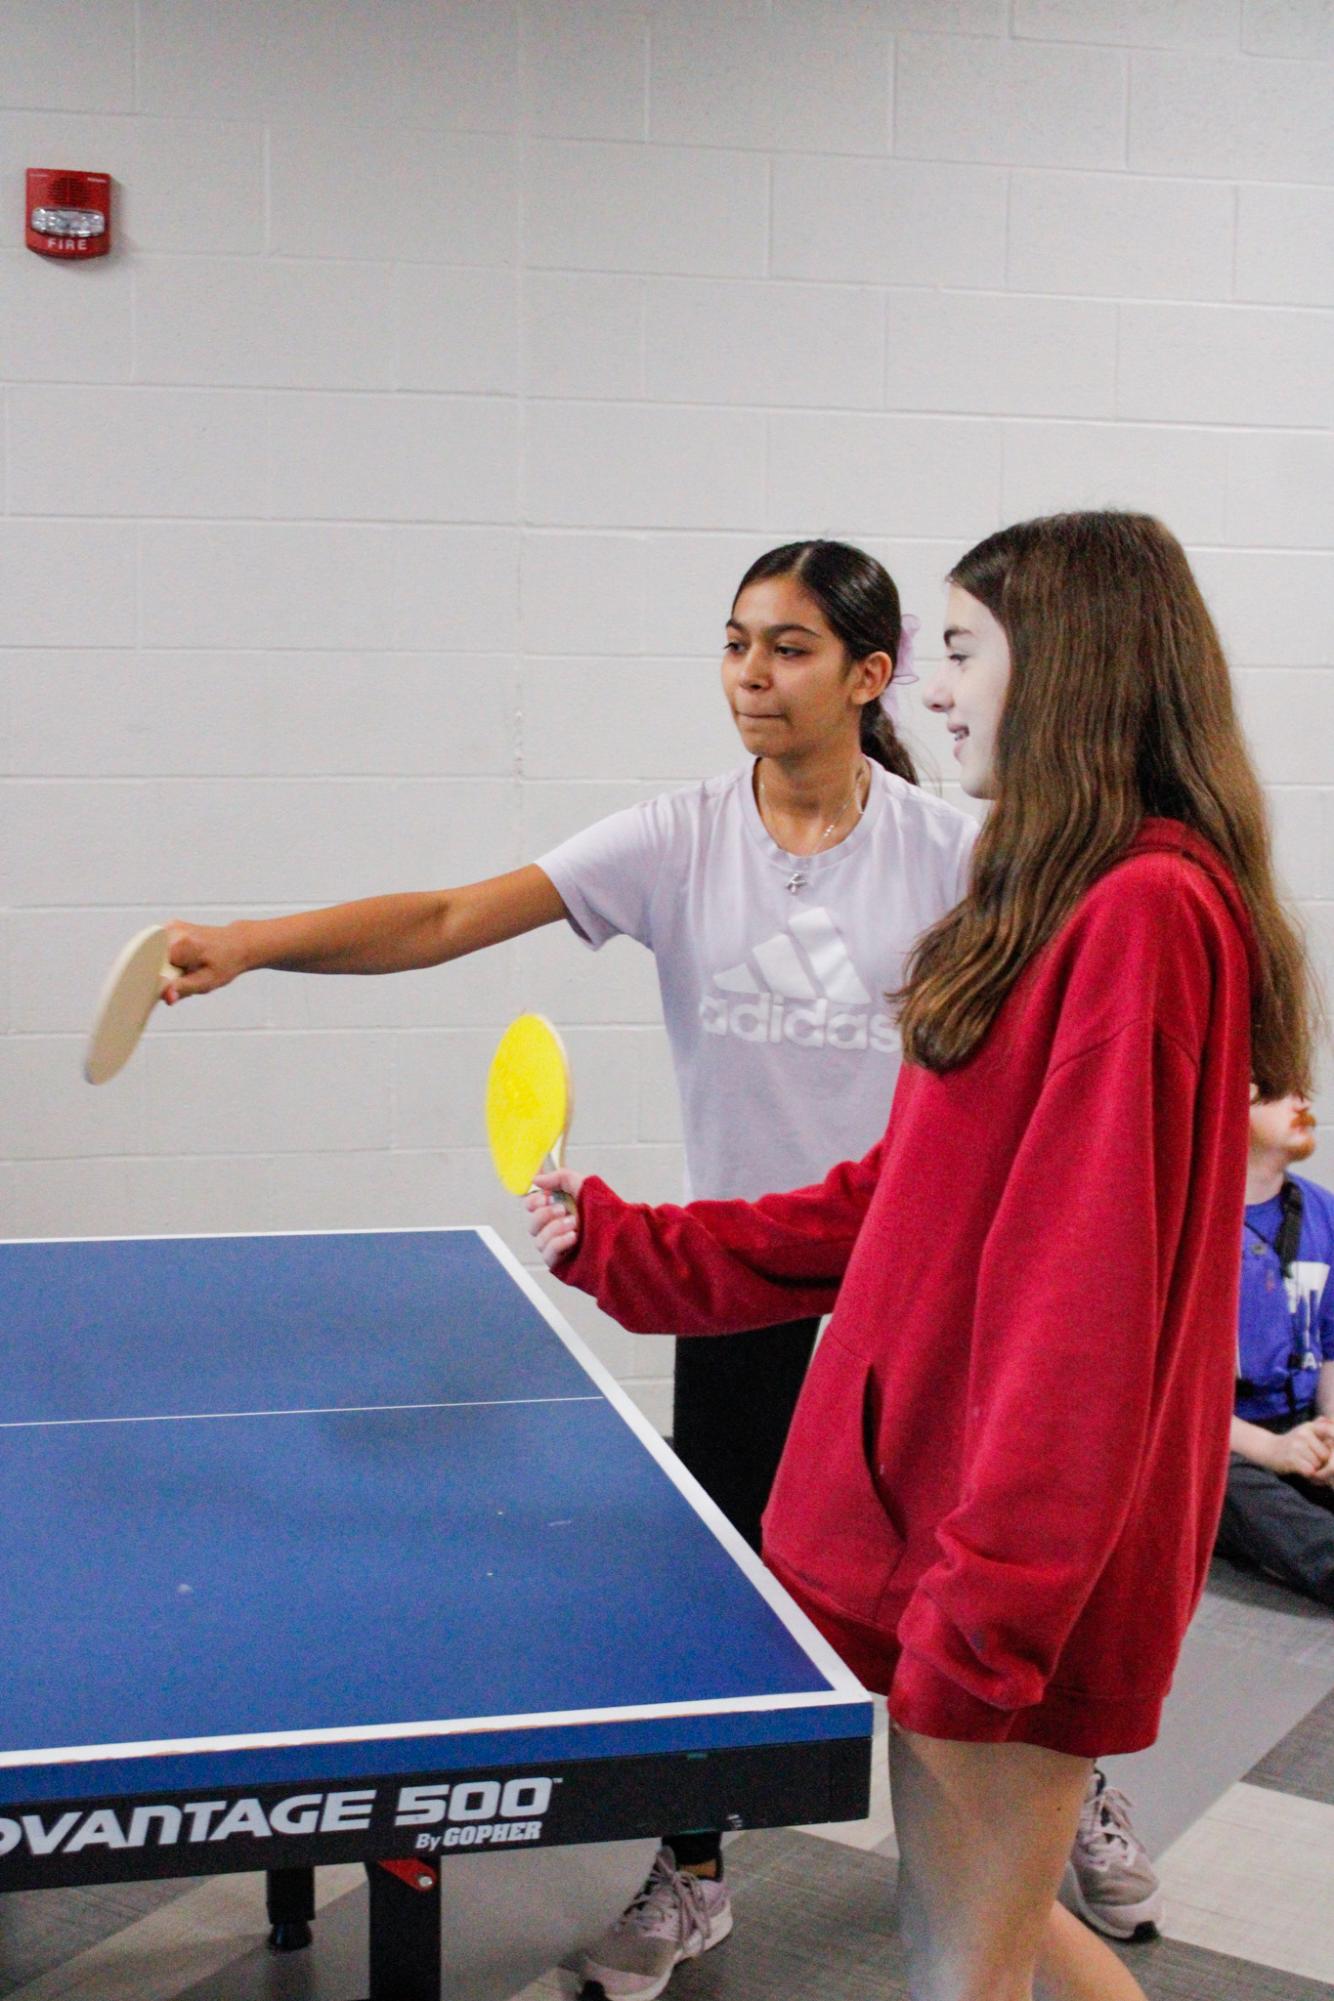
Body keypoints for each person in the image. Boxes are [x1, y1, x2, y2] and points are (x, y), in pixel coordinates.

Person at [162, 539, 979, 1998]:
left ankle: (1057, 1790)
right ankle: (696, 1872)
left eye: (787, 647)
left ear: (868, 676)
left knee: (961, 1587)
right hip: (741, 1280)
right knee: (733, 1596)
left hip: (920, 1288)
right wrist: (249, 943)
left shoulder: (955, 855)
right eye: (734, 642)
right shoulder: (674, 839)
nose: (748, 673)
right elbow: (442, 917)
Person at [527, 511, 1318, 2001]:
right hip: (948, 1531)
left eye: (961, 651)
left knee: (963, 1961)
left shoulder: (1146, 910)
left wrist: (991, 1602)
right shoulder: (1060, 887)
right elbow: (900, 1209)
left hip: (997, 1560)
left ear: (1069, 666)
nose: (933, 691)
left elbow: (1079, 1309)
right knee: (984, 1937)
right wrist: (642, 1251)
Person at [1214, 1088, 1334, 1604]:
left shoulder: (1323, 1211)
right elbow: (1171, 1398)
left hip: (1301, 1423)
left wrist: (1330, 1429)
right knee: (1214, 1486)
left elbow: (1330, 1345)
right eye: (1280, 1089)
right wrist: (1272, 1450)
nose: (1302, 1098)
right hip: (1222, 1444)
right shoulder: (1189, 1225)